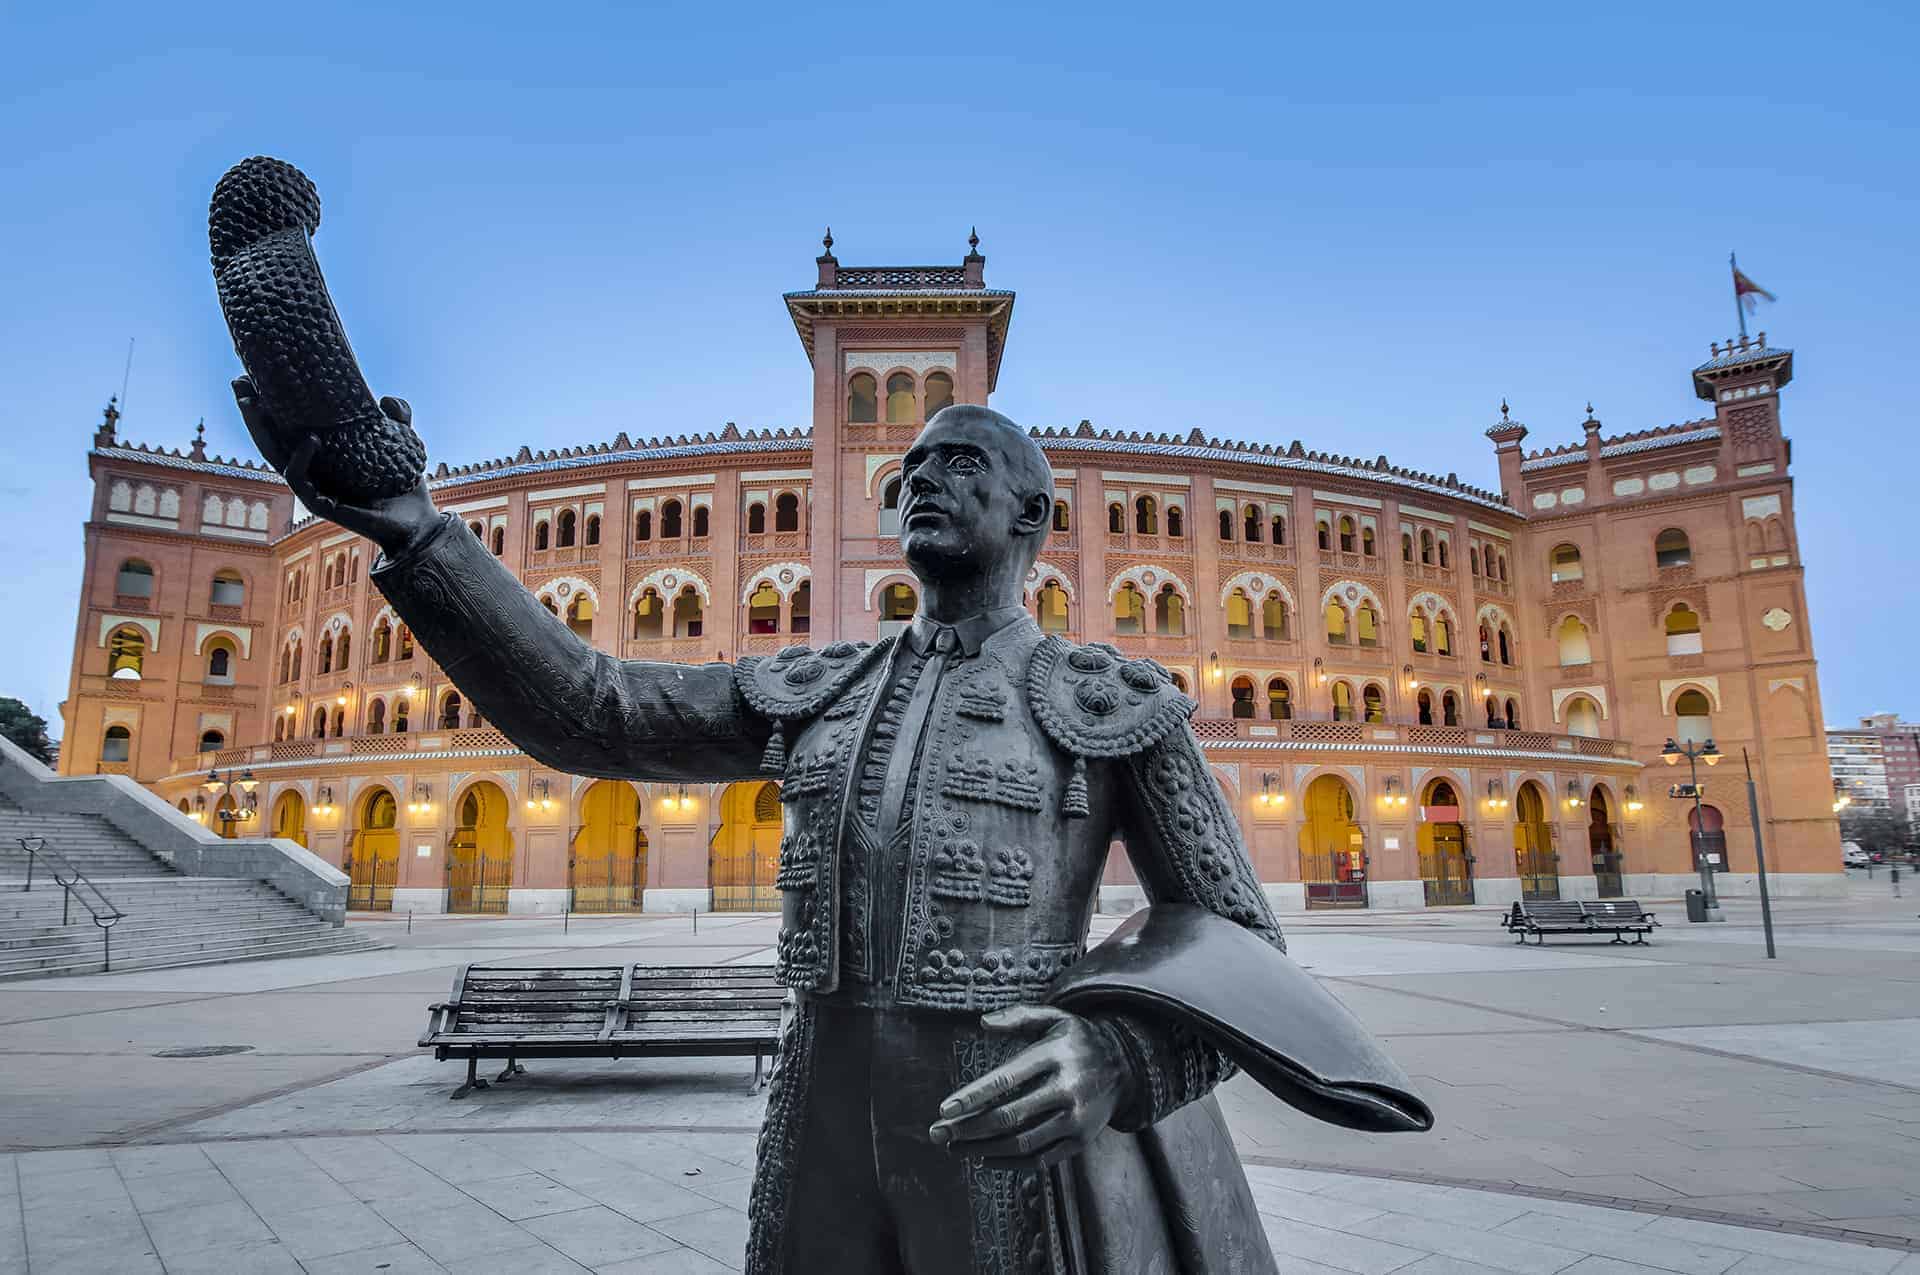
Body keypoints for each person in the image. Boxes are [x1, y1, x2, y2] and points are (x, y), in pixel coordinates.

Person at [235, 381, 1424, 1273]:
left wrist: (1118, 1057)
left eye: (958, 462)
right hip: (825, 1101)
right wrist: (417, 536)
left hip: (1010, 1101)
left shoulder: (1107, 700)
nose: (921, 481)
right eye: (908, 470)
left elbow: (1233, 930)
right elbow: (590, 707)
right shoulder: (820, 687)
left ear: (1031, 514)